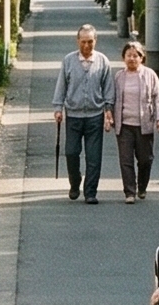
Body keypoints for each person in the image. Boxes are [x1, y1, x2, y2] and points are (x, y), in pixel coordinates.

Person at [50, 23, 116, 204]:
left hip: (95, 115)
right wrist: (58, 108)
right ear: (77, 41)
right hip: (73, 115)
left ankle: (90, 192)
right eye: (83, 42)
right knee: (71, 152)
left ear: (95, 41)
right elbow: (61, 85)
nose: (86, 46)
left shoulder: (103, 61)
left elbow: (108, 89)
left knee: (93, 156)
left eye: (90, 42)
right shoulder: (69, 60)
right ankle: (75, 182)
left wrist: (109, 110)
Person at [110, 40, 159, 203]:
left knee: (145, 159)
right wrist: (109, 117)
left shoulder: (150, 75)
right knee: (125, 160)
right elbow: (112, 99)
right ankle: (129, 192)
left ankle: (142, 186)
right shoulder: (119, 77)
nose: (132, 59)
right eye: (128, 55)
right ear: (123, 58)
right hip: (124, 125)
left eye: (135, 56)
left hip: (144, 125)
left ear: (141, 58)